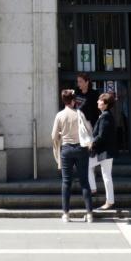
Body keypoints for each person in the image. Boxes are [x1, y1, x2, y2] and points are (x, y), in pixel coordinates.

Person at [50, 88, 94, 223]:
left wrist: (59, 139)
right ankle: (89, 213)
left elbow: (53, 136)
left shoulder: (60, 115)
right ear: (73, 101)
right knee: (84, 181)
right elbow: (89, 129)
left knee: (66, 182)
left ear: (63, 101)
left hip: (66, 149)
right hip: (81, 148)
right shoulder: (79, 114)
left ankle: (66, 213)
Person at [88, 91, 121, 210]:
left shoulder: (105, 116)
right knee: (102, 174)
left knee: (106, 176)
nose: (97, 101)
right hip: (103, 152)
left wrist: (91, 143)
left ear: (105, 104)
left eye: (100, 100)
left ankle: (108, 200)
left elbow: (102, 135)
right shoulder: (104, 115)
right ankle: (94, 190)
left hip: (105, 152)